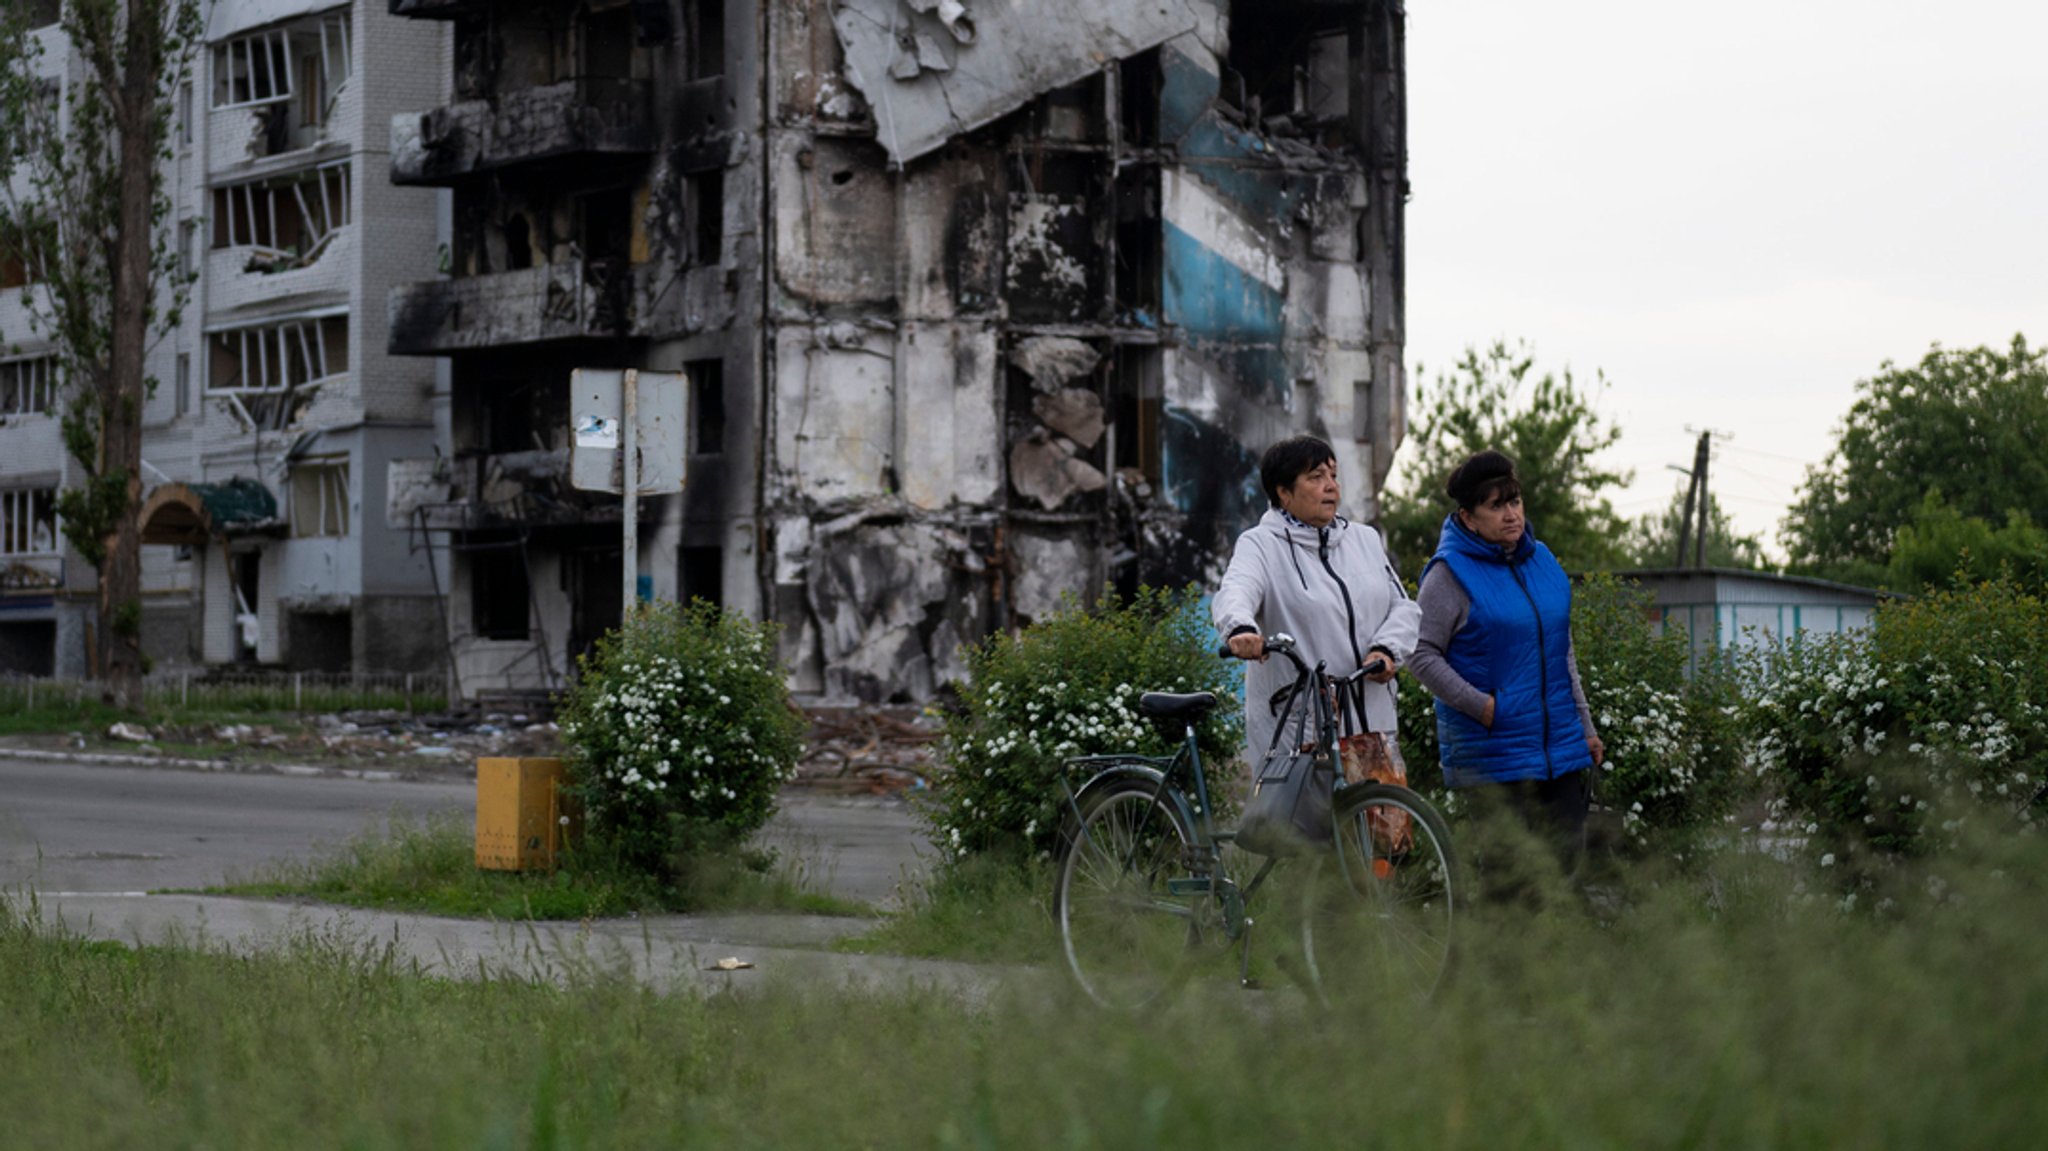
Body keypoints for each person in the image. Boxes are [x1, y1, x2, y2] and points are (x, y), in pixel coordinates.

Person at [1406, 450, 1605, 882]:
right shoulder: (1448, 574)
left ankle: (1535, 951)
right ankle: (1489, 951)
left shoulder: (1543, 561)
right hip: (1495, 753)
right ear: (1468, 517)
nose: (1511, 514)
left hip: (1560, 747)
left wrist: (1585, 726)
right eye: (1496, 506)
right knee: (1510, 879)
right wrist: (1482, 707)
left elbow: (1561, 649)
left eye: (1514, 501)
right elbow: (1419, 653)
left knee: (1566, 861)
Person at [1213, 435, 1419, 773]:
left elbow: (1403, 607)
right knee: (1300, 823)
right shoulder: (1260, 545)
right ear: (1284, 492)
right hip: (1300, 724)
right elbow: (1236, 589)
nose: (1331, 487)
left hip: (1372, 718)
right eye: (1316, 477)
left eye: (1333, 476)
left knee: (1382, 820)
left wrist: (1386, 648)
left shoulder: (1364, 540)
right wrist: (1240, 628)